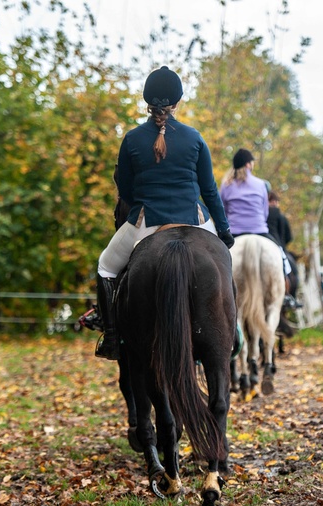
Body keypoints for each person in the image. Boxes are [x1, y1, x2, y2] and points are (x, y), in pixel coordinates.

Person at [94, 66, 235, 360]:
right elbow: (209, 190)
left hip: (146, 222)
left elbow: (127, 190)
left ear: (147, 100)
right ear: (177, 102)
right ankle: (233, 333)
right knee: (224, 266)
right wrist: (224, 231)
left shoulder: (131, 140)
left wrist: (142, 204)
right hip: (195, 220)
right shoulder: (195, 138)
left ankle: (111, 336)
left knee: (106, 267)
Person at [219, 148, 293, 278]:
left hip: (234, 233)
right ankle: (286, 289)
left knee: (216, 260)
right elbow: (265, 213)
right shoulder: (261, 184)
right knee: (281, 256)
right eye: (252, 162)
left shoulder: (226, 185)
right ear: (248, 164)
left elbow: (222, 212)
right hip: (260, 231)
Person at [267, 190, 301, 308]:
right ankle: (291, 297)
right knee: (293, 271)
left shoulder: (259, 213)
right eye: (273, 201)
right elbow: (289, 237)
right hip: (278, 246)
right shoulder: (280, 216)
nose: (274, 203)